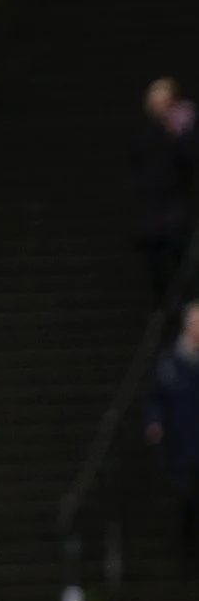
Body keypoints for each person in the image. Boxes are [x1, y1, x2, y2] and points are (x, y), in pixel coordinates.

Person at [130, 76, 196, 313]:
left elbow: (189, 159)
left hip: (175, 209)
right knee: (156, 262)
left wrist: (182, 131)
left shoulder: (181, 129)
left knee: (178, 257)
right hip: (152, 210)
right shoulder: (144, 134)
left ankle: (180, 305)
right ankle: (165, 306)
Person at [145, 295, 199, 556]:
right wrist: (155, 422)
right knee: (186, 495)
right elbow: (157, 397)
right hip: (183, 441)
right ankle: (184, 549)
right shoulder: (171, 362)